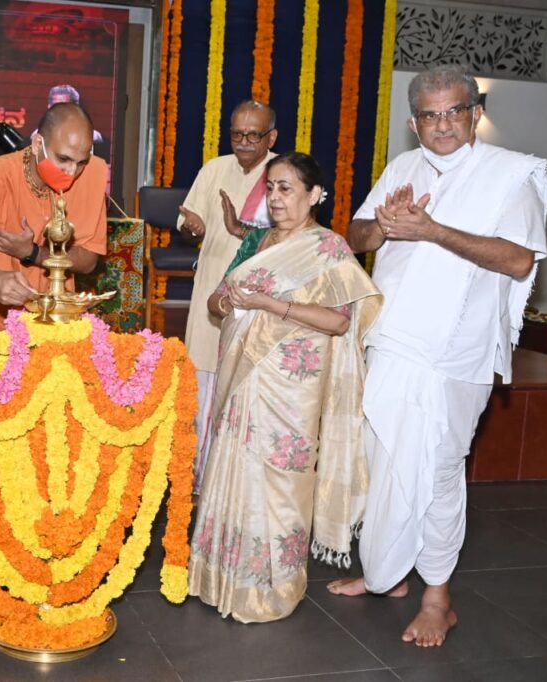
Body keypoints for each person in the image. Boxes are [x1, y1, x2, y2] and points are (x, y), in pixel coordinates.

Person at [326, 65, 547, 647]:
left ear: (475, 114)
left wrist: (433, 230)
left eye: (455, 111)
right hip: (391, 337)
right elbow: (354, 237)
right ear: (414, 123)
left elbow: (518, 260)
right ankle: (388, 570)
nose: (443, 124)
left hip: (456, 353)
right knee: (383, 459)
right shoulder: (402, 168)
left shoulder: (511, 176)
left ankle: (437, 599)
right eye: (431, 115)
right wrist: (384, 226)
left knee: (438, 471)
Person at [188, 152, 382, 623]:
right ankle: (219, 578)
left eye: (286, 188)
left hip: (293, 384)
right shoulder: (257, 241)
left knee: (280, 482)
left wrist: (270, 305)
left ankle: (270, 588)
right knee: (234, 469)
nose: (275, 198)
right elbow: (216, 301)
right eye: (271, 188)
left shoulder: (328, 248)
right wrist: (227, 302)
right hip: (244, 378)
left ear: (315, 195)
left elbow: (338, 321)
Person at [177, 100, 278, 490]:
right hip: (211, 294)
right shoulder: (214, 169)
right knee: (204, 383)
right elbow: (188, 221)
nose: (244, 142)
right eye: (237, 134)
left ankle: (238, 484)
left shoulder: (284, 175)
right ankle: (200, 481)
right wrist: (192, 228)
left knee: (246, 385)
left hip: (259, 300)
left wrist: (241, 230)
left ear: (271, 137)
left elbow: (293, 237)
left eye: (254, 135)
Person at [0, 102, 107, 332]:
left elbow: (89, 260)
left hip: (57, 322)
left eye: (81, 162)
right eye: (63, 159)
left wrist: (32, 253)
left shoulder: (92, 173)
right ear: (38, 144)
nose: (72, 172)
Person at [30, 84, 104, 143]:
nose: (61, 112)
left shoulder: (93, 137)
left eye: (66, 108)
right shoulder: (38, 137)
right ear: (49, 108)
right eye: (57, 107)